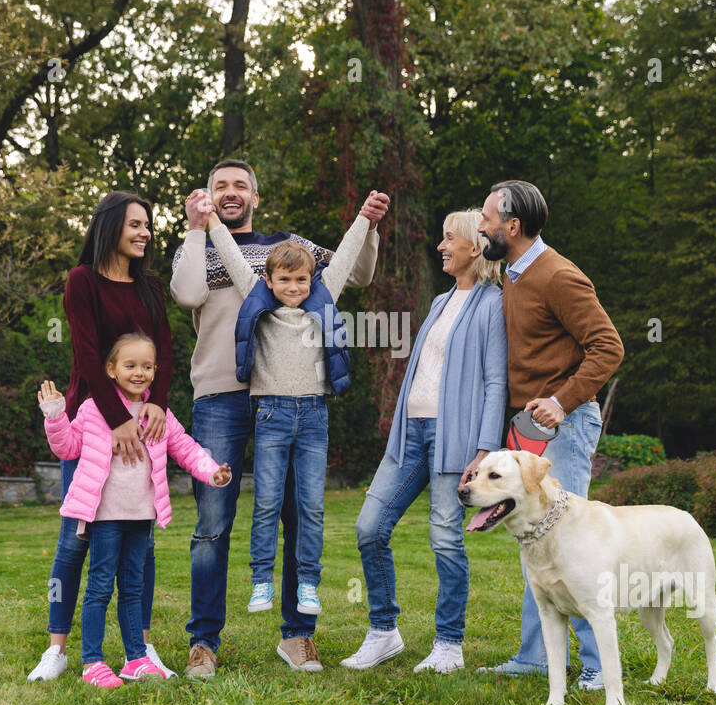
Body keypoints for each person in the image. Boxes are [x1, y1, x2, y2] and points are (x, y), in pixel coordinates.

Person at [170, 158, 386, 676]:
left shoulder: (287, 247)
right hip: (221, 395)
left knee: (296, 513)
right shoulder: (195, 244)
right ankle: (204, 641)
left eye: (240, 185)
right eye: (219, 185)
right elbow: (188, 294)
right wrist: (197, 229)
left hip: (290, 397)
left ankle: (297, 636)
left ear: (255, 196)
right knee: (213, 522)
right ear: (208, 194)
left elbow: (355, 273)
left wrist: (370, 226)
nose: (229, 191)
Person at [341, 211, 507, 673]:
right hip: (411, 433)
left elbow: (496, 381)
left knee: (445, 540)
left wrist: (484, 448)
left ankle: (449, 645)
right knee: (369, 527)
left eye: (448, 237)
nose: (441, 246)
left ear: (475, 246)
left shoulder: (493, 303)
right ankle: (383, 632)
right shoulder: (439, 301)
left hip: (455, 439)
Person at [474, 180, 624, 687]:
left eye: (487, 219)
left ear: (512, 228)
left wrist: (561, 402)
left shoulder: (559, 275)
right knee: (537, 539)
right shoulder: (514, 273)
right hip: (532, 428)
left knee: (571, 543)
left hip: (567, 422)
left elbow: (609, 346)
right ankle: (536, 656)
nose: (480, 226)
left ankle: (601, 667)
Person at [27, 192, 177, 683]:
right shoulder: (82, 281)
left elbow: (167, 356)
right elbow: (89, 357)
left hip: (145, 429)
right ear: (111, 226)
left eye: (148, 226)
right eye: (135, 224)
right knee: (75, 542)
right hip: (94, 426)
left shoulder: (151, 286)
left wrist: (157, 405)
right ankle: (58, 648)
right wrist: (117, 421)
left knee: (143, 546)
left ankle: (141, 649)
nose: (145, 233)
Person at [209, 200, 374, 625]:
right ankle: (261, 579)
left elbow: (348, 251)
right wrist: (209, 218)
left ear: (312, 278)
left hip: (314, 417)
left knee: (311, 507)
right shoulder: (256, 295)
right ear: (269, 279)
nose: (295, 287)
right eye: (284, 280)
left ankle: (307, 583)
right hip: (271, 416)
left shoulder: (324, 294)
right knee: (265, 501)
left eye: (302, 279)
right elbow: (229, 252)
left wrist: (365, 218)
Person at [37, 333, 231, 688]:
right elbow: (67, 448)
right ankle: (92, 662)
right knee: (99, 588)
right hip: (104, 518)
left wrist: (211, 471)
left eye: (146, 366)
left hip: (141, 517)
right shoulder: (93, 409)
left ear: (155, 371)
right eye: (130, 365)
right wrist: (54, 417)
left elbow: (184, 447)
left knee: (132, 588)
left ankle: (135, 658)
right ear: (111, 370)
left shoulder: (157, 415)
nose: (139, 372)